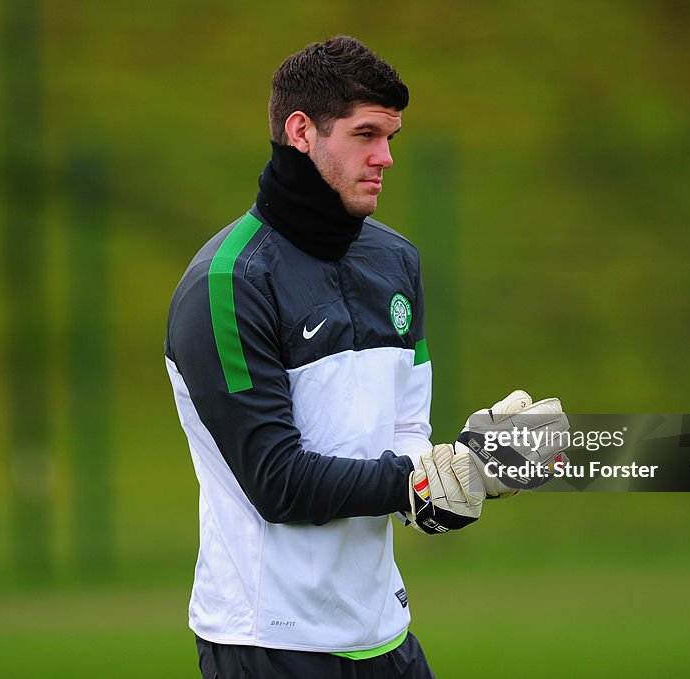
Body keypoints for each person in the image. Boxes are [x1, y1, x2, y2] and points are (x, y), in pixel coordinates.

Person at [164, 36, 496, 678]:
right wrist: (417, 479)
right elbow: (277, 482)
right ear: (300, 132)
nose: (386, 157)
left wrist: (475, 472)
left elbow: (405, 446)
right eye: (366, 134)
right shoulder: (228, 282)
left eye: (392, 137)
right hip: (267, 643)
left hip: (385, 632)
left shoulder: (396, 261)